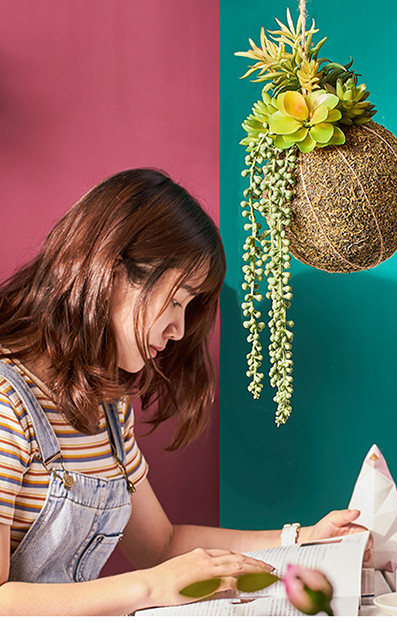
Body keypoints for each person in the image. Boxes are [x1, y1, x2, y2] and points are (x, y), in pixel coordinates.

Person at [0, 168, 370, 614]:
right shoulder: (8, 401)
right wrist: (151, 589)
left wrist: (301, 539)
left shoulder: (109, 408)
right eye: (177, 300)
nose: (178, 330)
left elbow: (162, 545)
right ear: (113, 272)